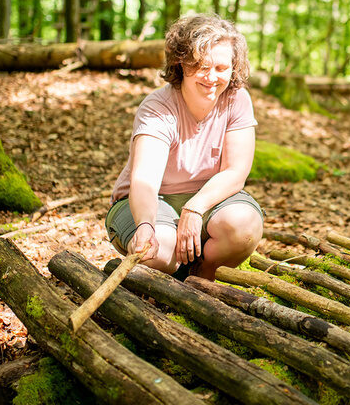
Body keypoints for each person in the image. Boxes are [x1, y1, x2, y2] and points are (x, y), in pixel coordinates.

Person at [105, 14, 263, 281]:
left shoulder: (237, 100)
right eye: (201, 66)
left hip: (210, 198)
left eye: (221, 68)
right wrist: (144, 224)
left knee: (244, 225)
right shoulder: (158, 107)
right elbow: (145, 179)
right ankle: (167, 279)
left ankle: (201, 279)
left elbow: (236, 171)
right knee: (158, 250)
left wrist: (195, 207)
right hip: (153, 200)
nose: (211, 77)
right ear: (181, 62)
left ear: (233, 67)